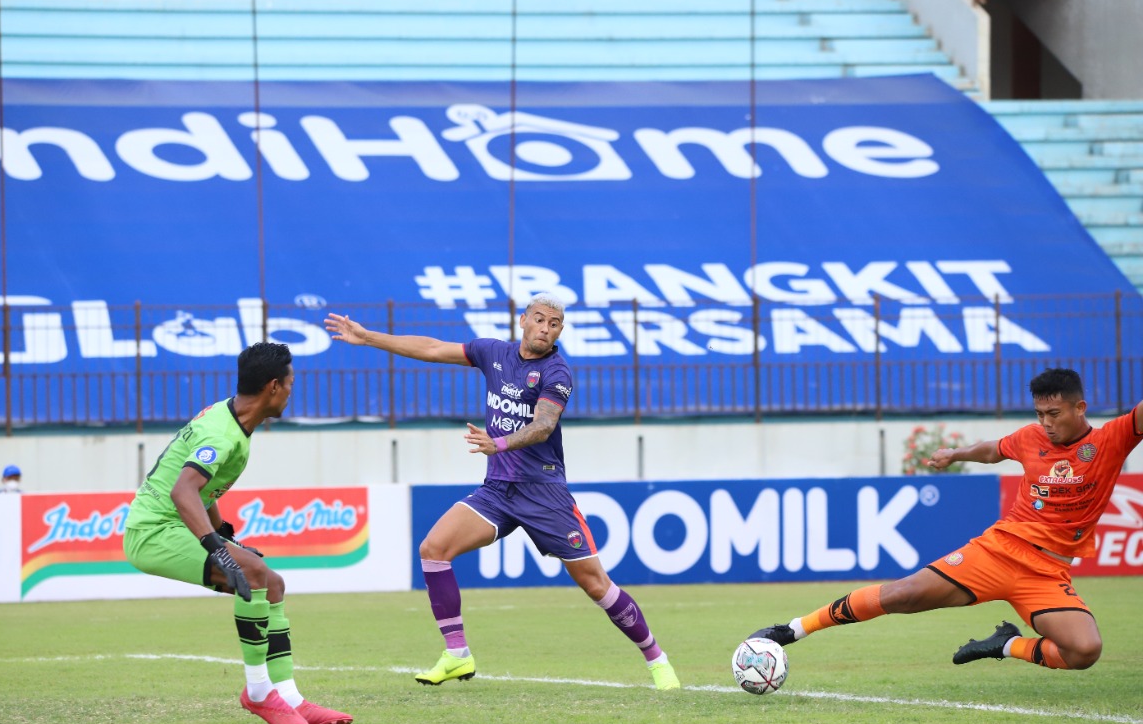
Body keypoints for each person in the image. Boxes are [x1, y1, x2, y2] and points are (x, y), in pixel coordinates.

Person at [325, 294, 681, 690]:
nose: (546, 328)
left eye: (555, 324)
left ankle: (657, 659)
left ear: (560, 331)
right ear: (523, 320)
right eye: (540, 320)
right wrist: (368, 337)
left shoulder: (556, 372)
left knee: (596, 583)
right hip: (497, 491)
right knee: (433, 549)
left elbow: (544, 426)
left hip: (544, 492)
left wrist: (501, 444)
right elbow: (430, 348)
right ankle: (457, 654)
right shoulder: (492, 353)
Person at [749, 367, 1143, 671]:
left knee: (1084, 651)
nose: (1046, 423)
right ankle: (793, 629)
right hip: (998, 552)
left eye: (1054, 413)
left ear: (1080, 408)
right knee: (901, 595)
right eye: (1040, 414)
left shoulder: (1110, 440)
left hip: (1046, 573)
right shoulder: (1031, 438)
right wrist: (956, 453)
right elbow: (993, 450)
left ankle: (1005, 644)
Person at [123, 341, 352, 724]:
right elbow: (183, 492)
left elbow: (202, 489)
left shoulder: (229, 418)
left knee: (272, 583)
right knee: (255, 572)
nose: (293, 391)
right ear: (273, 386)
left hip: (176, 523)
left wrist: (224, 533)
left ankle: (290, 696)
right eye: (292, 382)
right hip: (154, 532)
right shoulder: (223, 436)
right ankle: (259, 691)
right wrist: (217, 547)